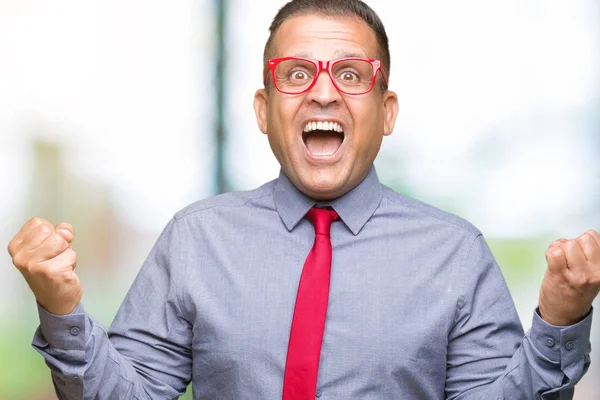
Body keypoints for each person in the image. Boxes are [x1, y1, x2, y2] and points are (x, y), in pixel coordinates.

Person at [7, 0, 599, 399]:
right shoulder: (196, 239)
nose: (321, 92)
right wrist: (60, 308)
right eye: (295, 74)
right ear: (264, 112)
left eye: (349, 74)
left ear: (386, 112)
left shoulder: (456, 253)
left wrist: (561, 317)